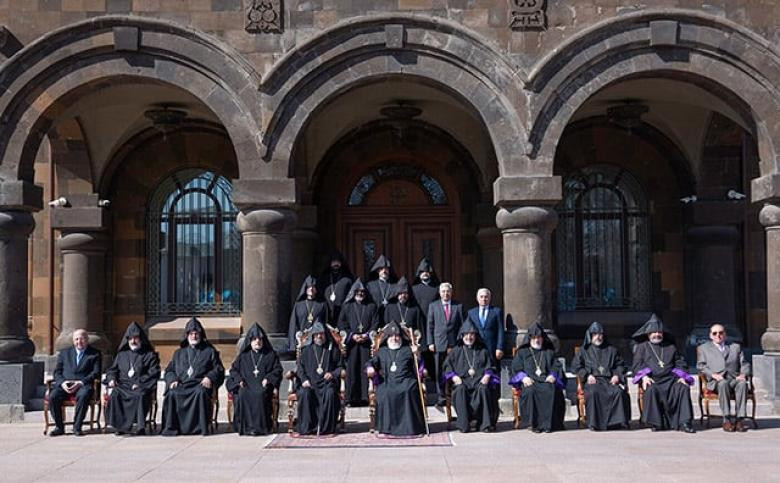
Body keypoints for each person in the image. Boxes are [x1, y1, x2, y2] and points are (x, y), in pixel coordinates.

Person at [631, 314, 695, 433]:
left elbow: (680, 362)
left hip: (671, 380)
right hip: (653, 379)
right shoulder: (641, 347)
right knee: (651, 389)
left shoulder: (671, 346)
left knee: (683, 388)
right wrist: (644, 377)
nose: (657, 334)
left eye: (659, 332)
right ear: (648, 334)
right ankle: (656, 423)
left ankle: (684, 422)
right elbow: (637, 365)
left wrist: (682, 376)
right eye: (653, 332)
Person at [161, 317, 225, 436]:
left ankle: (200, 428)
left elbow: (219, 369)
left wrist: (209, 377)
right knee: (171, 393)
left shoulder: (209, 351)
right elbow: (169, 370)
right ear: (187, 335)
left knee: (201, 393)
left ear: (201, 335)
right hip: (182, 385)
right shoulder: (178, 353)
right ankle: (172, 428)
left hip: (199, 385)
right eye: (191, 334)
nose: (194, 336)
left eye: (196, 334)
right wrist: (173, 379)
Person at [365, 320, 427, 436]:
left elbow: (418, 367)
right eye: (392, 336)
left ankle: (410, 428)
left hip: (406, 381)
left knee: (409, 390)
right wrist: (370, 368)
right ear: (387, 337)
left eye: (397, 336)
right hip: (387, 381)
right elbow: (371, 362)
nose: (394, 338)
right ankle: (387, 428)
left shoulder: (408, 349)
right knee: (385, 392)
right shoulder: (382, 351)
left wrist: (417, 354)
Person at [570, 321, 630, 431]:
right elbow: (576, 366)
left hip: (609, 380)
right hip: (593, 381)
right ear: (590, 336)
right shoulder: (584, 351)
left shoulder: (612, 350)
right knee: (593, 392)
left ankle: (617, 422)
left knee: (618, 392)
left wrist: (617, 375)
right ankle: (595, 423)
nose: (598, 337)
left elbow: (621, 365)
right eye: (595, 334)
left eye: (600, 334)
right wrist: (587, 375)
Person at [443, 320, 500, 433]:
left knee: (484, 389)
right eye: (466, 334)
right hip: (462, 382)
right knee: (460, 390)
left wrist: (487, 375)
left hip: (479, 382)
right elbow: (447, 367)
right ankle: (464, 425)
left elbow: (490, 366)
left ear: (475, 336)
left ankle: (484, 424)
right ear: (462, 335)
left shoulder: (482, 350)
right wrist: (454, 377)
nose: (469, 337)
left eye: (472, 334)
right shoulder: (455, 351)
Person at [226, 323, 283, 436]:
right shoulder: (243, 356)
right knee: (242, 394)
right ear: (250, 341)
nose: (257, 341)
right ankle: (246, 428)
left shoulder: (270, 355)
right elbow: (233, 370)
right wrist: (239, 380)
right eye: (254, 339)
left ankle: (260, 428)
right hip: (246, 385)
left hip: (263, 386)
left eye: (260, 339)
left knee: (260, 395)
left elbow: (277, 370)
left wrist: (268, 378)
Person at [105, 322, 161, 435]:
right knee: (115, 393)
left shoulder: (149, 355)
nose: (133, 341)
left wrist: (140, 383)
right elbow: (112, 370)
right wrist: (111, 379)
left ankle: (140, 427)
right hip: (124, 386)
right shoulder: (122, 355)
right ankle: (120, 427)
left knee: (140, 395)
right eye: (130, 338)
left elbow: (154, 372)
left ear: (140, 339)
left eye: (136, 338)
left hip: (141, 386)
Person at [510, 322, 566, 433]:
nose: (537, 340)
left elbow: (557, 366)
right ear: (529, 338)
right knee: (530, 391)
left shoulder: (548, 352)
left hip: (546, 381)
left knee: (551, 390)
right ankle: (533, 423)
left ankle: (549, 424)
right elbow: (515, 368)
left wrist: (553, 375)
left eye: (539, 337)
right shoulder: (522, 352)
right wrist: (523, 377)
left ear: (543, 338)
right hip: (530, 381)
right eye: (534, 338)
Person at [697, 323, 752, 432]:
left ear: (725, 334)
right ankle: (726, 419)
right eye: (715, 333)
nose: (718, 335)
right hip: (716, 381)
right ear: (710, 335)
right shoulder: (704, 348)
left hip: (734, 378)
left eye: (721, 333)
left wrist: (743, 374)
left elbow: (745, 364)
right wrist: (713, 375)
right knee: (723, 384)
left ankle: (739, 419)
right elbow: (701, 366)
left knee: (742, 384)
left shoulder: (735, 347)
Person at [49, 329, 102, 436]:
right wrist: (62, 383)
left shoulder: (95, 354)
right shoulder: (64, 353)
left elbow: (96, 372)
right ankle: (59, 427)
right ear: (73, 341)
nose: (79, 342)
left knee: (83, 395)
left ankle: (77, 427)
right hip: (65, 385)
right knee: (53, 396)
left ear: (87, 340)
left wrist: (81, 382)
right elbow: (57, 372)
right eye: (76, 339)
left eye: (82, 339)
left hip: (83, 385)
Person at [294, 322, 344, 435]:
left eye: (321, 334)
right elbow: (300, 368)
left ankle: (326, 428)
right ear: (312, 336)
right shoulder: (306, 351)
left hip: (326, 384)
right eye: (316, 334)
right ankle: (307, 427)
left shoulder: (333, 350)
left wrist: (332, 374)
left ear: (325, 335)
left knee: (330, 393)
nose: (319, 336)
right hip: (310, 384)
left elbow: (340, 367)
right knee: (304, 393)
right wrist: (304, 380)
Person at [337, 278, 379, 406]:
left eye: (362, 292)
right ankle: (351, 398)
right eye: (358, 291)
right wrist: (352, 335)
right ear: (353, 292)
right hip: (352, 344)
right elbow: (342, 323)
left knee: (365, 368)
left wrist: (367, 335)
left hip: (367, 344)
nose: (360, 294)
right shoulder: (347, 306)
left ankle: (366, 397)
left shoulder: (371, 306)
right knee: (352, 369)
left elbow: (376, 323)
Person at [426, 282, 464, 409]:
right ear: (440, 293)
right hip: (438, 344)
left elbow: (462, 325)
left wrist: (459, 342)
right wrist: (430, 342)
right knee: (439, 371)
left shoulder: (458, 306)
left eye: (448, 291)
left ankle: (453, 396)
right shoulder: (433, 306)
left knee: (454, 370)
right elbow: (430, 325)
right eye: (443, 291)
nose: (446, 294)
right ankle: (441, 397)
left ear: (451, 293)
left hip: (454, 344)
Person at [288, 275, 328, 351]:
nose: (311, 289)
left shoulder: (322, 304)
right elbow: (293, 324)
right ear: (305, 289)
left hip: (317, 342)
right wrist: (293, 344)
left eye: (313, 287)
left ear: (316, 289)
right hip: (302, 341)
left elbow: (326, 323)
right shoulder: (299, 305)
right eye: (309, 287)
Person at [466, 288, 504, 363]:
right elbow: (468, 330)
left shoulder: (496, 311)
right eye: (481, 297)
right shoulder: (471, 313)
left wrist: (499, 347)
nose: (484, 299)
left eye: (486, 297)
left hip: (492, 347)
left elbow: (500, 331)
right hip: (476, 347)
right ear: (477, 298)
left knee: (492, 367)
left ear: (490, 298)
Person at [318, 250, 354, 322]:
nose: (336, 264)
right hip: (326, 313)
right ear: (330, 263)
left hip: (343, 313)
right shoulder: (323, 278)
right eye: (333, 262)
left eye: (338, 261)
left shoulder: (348, 278)